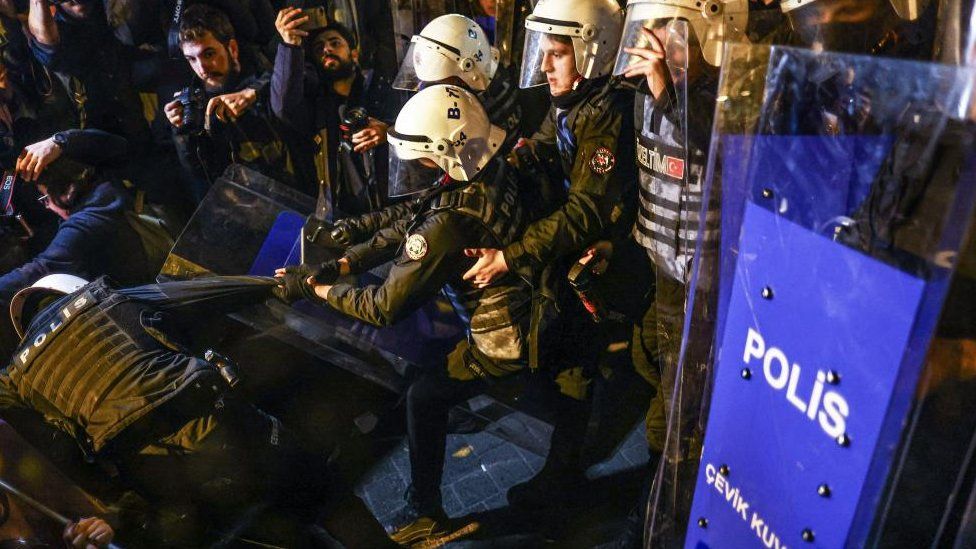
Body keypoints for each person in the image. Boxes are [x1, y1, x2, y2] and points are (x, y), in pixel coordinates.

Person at [274, 84, 528, 547]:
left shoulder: (449, 220)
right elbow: (410, 219)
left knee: (425, 397)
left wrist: (315, 288)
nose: (413, 169)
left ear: (446, 152)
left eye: (421, 159)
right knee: (422, 382)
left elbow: (383, 306)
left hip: (505, 331)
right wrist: (340, 262)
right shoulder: (481, 170)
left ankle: (427, 513)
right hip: (520, 307)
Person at [460, 0, 637, 507]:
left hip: (613, 261)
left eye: (557, 54)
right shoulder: (576, 101)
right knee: (578, 366)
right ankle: (566, 473)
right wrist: (515, 156)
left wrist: (510, 255)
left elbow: (586, 211)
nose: (544, 65)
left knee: (592, 368)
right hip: (579, 254)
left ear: (594, 51)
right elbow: (544, 140)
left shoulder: (606, 111)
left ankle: (570, 484)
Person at [1, 274, 330, 546]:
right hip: (216, 419)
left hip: (169, 473)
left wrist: (120, 516)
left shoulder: (20, 377)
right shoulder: (105, 297)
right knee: (316, 488)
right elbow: (201, 292)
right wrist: (282, 283)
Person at [609, 1, 746, 545]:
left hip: (705, 273)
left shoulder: (728, 85)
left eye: (669, 31)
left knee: (682, 404)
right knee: (659, 369)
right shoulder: (647, 87)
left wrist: (666, 87)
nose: (654, 41)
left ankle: (659, 521)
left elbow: (715, 144)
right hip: (660, 260)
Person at [164, 4, 308, 201]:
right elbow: (199, 172)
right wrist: (181, 132)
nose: (202, 68)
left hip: (294, 196)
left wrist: (253, 92)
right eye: (191, 59)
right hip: (243, 210)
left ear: (231, 48)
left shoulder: (262, 71)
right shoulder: (195, 103)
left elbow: (299, 79)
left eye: (209, 54)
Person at [0, 130, 156, 302]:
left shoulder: (89, 220)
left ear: (62, 191)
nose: (49, 207)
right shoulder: (106, 182)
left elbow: (42, 268)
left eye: (45, 199)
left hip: (151, 294)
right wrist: (60, 143)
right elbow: (115, 142)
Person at [272, 8, 395, 215]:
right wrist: (289, 46)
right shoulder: (315, 107)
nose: (326, 49)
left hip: (390, 210)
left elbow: (415, 130)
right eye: (319, 48)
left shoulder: (381, 89)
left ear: (353, 53)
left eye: (335, 43)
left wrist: (389, 132)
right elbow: (284, 107)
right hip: (340, 219)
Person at [392, 13, 523, 154]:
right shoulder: (494, 73)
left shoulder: (473, 108)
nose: (429, 90)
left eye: (437, 82)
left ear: (467, 68)